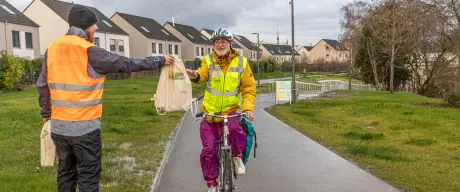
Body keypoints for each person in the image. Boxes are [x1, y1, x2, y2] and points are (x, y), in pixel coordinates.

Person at [36, 4, 174, 192]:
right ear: (85, 26)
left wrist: (46, 114)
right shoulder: (89, 50)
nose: (96, 28)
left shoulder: (52, 48)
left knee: (66, 175)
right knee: (88, 179)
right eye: (94, 25)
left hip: (59, 128)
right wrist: (159, 60)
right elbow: (126, 63)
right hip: (85, 129)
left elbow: (42, 85)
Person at [185, 28, 256, 192]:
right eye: (217, 42)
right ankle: (212, 183)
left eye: (223, 41)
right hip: (210, 112)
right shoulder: (208, 60)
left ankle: (237, 157)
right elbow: (201, 74)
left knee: (236, 130)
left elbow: (249, 89)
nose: (220, 44)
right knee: (209, 150)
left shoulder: (241, 62)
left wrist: (248, 108)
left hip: (231, 110)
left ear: (230, 44)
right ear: (213, 44)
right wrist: (193, 75)